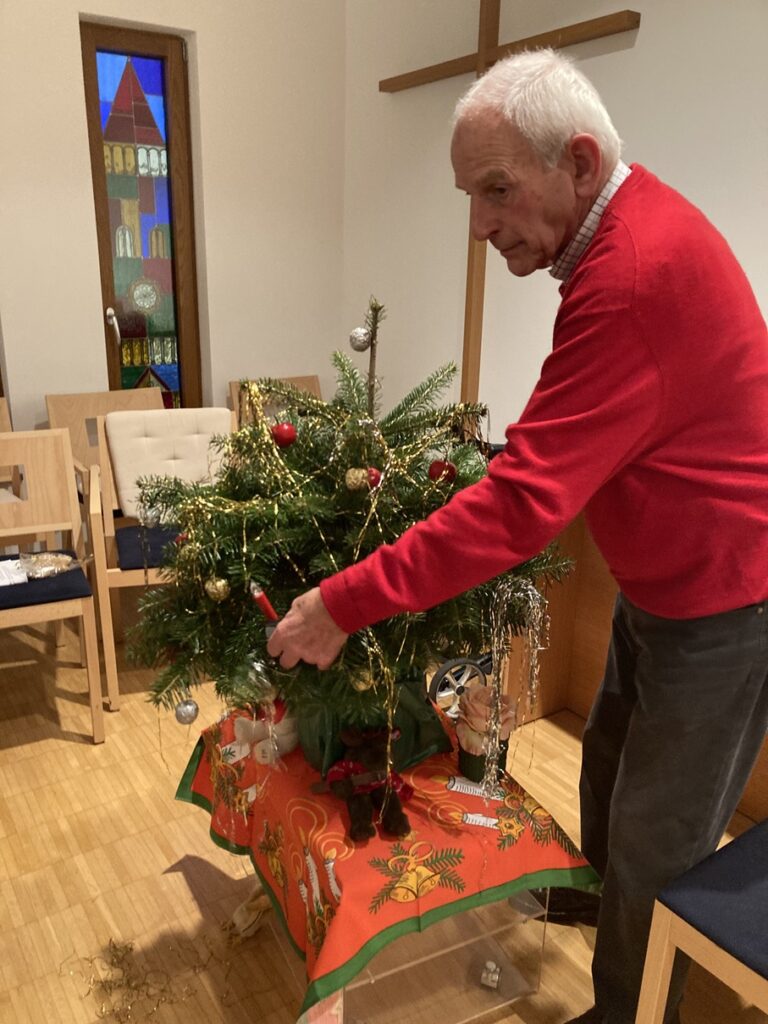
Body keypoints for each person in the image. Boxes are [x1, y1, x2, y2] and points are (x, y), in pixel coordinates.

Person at [267, 48, 768, 1024]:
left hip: (727, 604)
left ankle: (627, 1010)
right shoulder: (627, 233)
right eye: (470, 193)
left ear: (579, 162)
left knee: (659, 838)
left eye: (496, 189)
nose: (481, 222)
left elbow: (515, 507)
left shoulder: (629, 276)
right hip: (662, 588)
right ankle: (597, 899)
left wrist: (341, 601)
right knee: (609, 771)